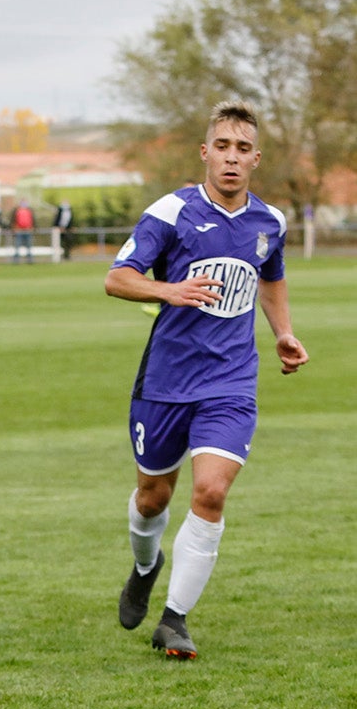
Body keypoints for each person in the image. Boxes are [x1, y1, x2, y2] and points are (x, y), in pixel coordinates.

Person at [105, 100, 308, 659]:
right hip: (165, 382)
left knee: (212, 492)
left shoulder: (271, 223)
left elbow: (272, 278)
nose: (232, 158)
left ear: (256, 159)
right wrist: (168, 289)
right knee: (152, 497)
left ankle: (175, 619)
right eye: (222, 146)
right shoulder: (170, 213)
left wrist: (284, 332)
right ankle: (146, 566)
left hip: (231, 381)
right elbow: (117, 278)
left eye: (243, 149)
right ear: (205, 152)